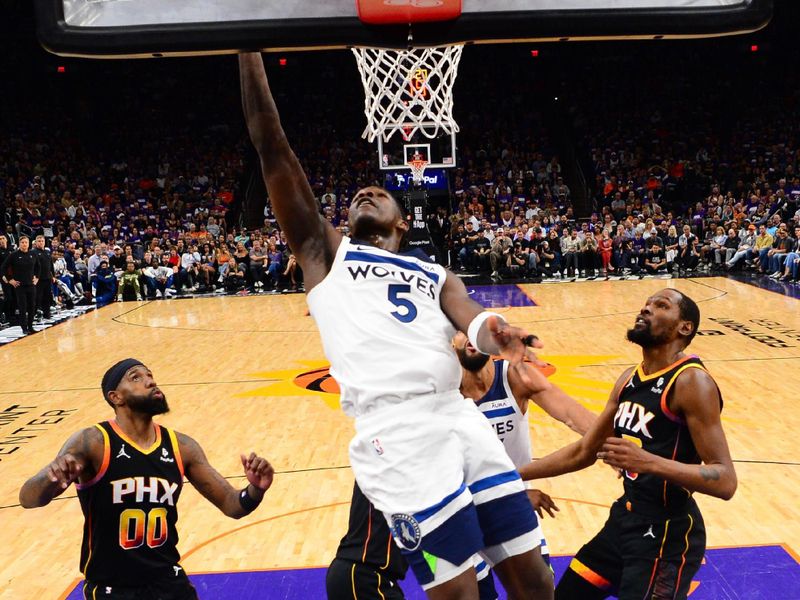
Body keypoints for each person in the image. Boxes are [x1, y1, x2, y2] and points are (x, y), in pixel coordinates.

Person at [240, 53, 553, 599]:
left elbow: (473, 318)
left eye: (379, 193)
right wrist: (248, 47)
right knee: (457, 591)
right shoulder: (323, 255)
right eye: (359, 194)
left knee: (533, 577)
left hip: (459, 417)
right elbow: (272, 148)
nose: (366, 192)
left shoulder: (435, 272)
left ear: (402, 222)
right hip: (397, 435)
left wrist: (498, 331)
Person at [327, 334, 596, 600]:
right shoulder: (438, 396)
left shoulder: (515, 377)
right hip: (456, 511)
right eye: (459, 330)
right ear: (448, 341)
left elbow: (579, 420)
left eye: (471, 330)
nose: (468, 337)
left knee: (538, 586)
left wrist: (616, 441)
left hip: (506, 504)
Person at [519, 290, 737, 600]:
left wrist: (648, 462)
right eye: (646, 303)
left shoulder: (692, 382)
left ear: (684, 327)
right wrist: (513, 475)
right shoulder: (627, 380)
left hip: (667, 533)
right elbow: (584, 451)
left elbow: (725, 480)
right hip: (625, 520)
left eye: (660, 306)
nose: (646, 308)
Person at [19, 359, 275, 600]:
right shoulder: (94, 442)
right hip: (113, 589)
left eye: (151, 376)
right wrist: (50, 478)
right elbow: (28, 498)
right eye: (137, 377)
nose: (151, 381)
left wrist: (255, 490)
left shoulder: (182, 446)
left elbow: (232, 504)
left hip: (168, 582)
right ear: (115, 397)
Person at [0, 235, 40, 334]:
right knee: (23, 307)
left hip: (31, 285)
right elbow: (3, 267)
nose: (24, 244)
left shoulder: (33, 254)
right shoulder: (14, 255)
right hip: (19, 286)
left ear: (29, 243)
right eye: (22, 242)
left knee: (32, 306)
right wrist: (10, 280)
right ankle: (24, 328)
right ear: (19, 244)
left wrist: (37, 278)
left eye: (26, 242)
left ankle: (30, 326)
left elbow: (38, 267)